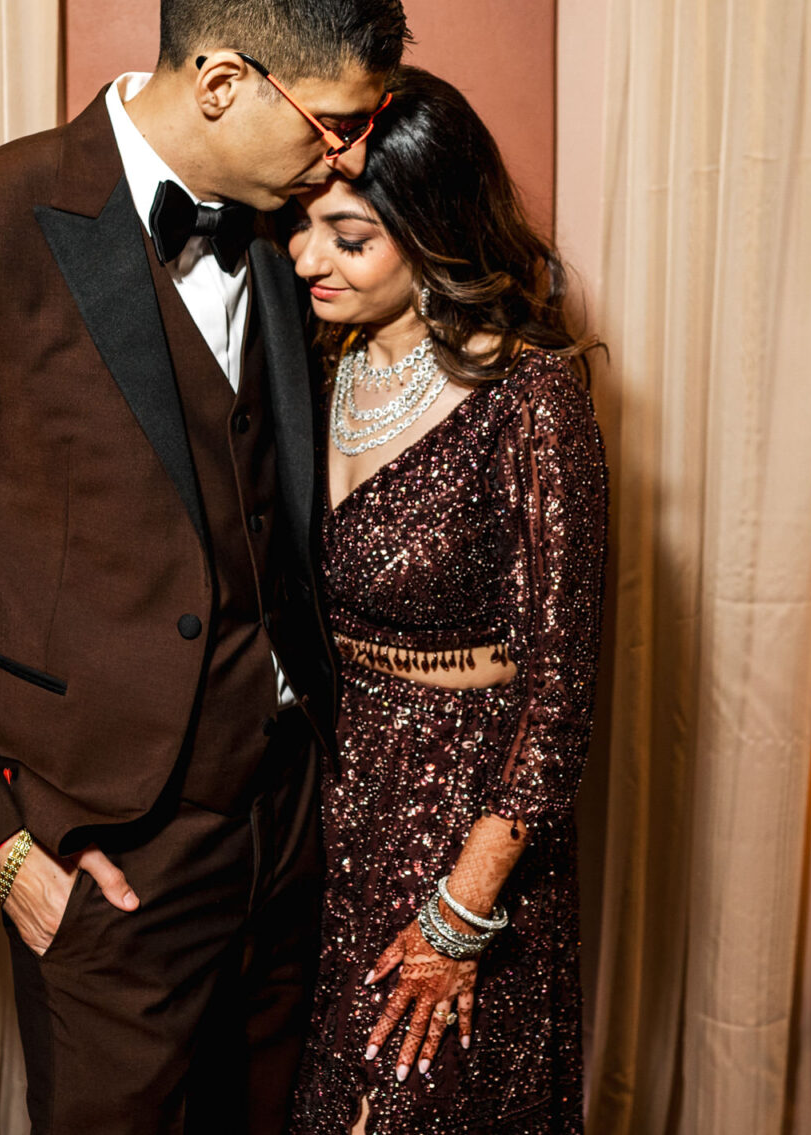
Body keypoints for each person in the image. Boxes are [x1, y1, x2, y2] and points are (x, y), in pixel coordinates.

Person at [0, 0, 408, 1134]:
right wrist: (2, 853)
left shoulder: (294, 242)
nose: (350, 160)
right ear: (224, 77)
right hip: (101, 859)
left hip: (289, 830)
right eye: (336, 123)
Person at [283, 66, 608, 1134]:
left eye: (347, 236)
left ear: (431, 234)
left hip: (468, 826)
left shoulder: (531, 400)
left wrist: (464, 914)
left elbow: (562, 694)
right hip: (334, 815)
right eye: (304, 226)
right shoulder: (312, 368)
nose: (306, 257)